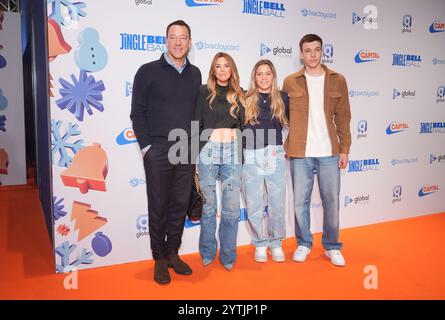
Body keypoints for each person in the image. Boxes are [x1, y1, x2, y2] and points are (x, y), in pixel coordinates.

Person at [130, 20, 202, 285]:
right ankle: (159, 258)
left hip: (185, 149)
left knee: (179, 205)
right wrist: (148, 148)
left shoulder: (195, 74)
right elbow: (137, 113)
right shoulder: (147, 71)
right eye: (173, 37)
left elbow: (196, 114)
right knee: (158, 205)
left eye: (183, 37)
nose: (178, 42)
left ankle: (173, 252)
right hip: (158, 150)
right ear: (166, 40)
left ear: (190, 42)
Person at [282, 34, 351, 267]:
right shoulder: (290, 81)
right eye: (308, 50)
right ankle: (304, 243)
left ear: (322, 52)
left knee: (331, 201)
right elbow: (283, 117)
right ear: (301, 54)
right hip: (300, 153)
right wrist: (285, 145)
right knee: (300, 201)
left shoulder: (337, 80)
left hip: (329, 152)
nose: (312, 54)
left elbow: (343, 117)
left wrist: (345, 149)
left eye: (316, 50)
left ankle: (332, 245)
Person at [195, 52, 245, 271]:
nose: (223, 70)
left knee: (232, 208)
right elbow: (196, 123)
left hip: (233, 152)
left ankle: (227, 254)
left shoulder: (241, 94)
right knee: (208, 207)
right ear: (213, 70)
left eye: (226, 66)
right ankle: (207, 252)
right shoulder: (203, 92)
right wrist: (194, 156)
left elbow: (246, 126)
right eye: (218, 66)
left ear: (232, 69)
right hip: (208, 150)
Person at [242, 59, 289, 263]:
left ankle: (276, 242)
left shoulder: (283, 98)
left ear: (273, 75)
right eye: (259, 74)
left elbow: (291, 126)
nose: (263, 77)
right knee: (254, 202)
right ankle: (260, 243)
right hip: (251, 153)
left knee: (277, 202)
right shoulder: (245, 98)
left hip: (274, 153)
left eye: (267, 73)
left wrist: (282, 149)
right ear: (254, 77)